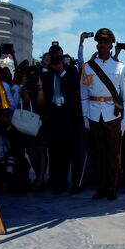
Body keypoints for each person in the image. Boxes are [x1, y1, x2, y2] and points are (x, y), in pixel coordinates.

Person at [80, 28, 125, 200]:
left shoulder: (120, 67)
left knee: (112, 154)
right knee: (98, 153)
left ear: (111, 45)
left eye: (106, 42)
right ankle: (101, 188)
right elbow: (84, 93)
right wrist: (85, 115)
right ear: (97, 44)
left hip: (112, 114)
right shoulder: (88, 67)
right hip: (94, 113)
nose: (103, 45)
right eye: (100, 41)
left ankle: (111, 187)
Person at [43, 54, 82, 194]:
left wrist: (62, 71)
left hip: (70, 117)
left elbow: (76, 85)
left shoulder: (70, 70)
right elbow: (45, 90)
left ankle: (76, 183)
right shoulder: (48, 73)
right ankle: (60, 182)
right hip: (55, 116)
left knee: (74, 152)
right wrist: (49, 68)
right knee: (59, 153)